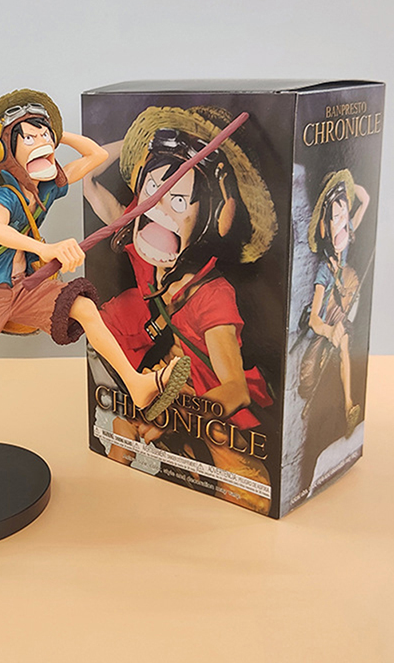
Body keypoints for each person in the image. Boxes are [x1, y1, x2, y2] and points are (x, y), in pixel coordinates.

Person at [0, 89, 189, 415]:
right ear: (5, 151)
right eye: (28, 137)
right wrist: (46, 248)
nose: (41, 143)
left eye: (44, 136)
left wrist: (54, 134)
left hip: (26, 286)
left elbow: (95, 155)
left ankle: (137, 384)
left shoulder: (46, 188)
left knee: (84, 308)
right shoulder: (5, 196)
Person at [84, 106, 278, 512]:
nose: (160, 209)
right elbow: (89, 181)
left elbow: (235, 390)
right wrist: (140, 144)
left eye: (177, 199)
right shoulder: (142, 245)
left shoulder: (213, 295)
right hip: (151, 388)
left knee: (250, 496)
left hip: (206, 411)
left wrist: (172, 413)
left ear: (210, 217)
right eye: (154, 189)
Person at [300, 170, 369, 447]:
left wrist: (347, 188)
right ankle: (344, 403)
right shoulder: (323, 271)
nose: (341, 224)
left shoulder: (346, 233)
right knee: (335, 348)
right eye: (335, 218)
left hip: (344, 303)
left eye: (344, 216)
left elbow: (364, 201)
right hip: (327, 317)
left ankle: (348, 404)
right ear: (324, 227)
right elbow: (314, 320)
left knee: (346, 343)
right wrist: (329, 331)